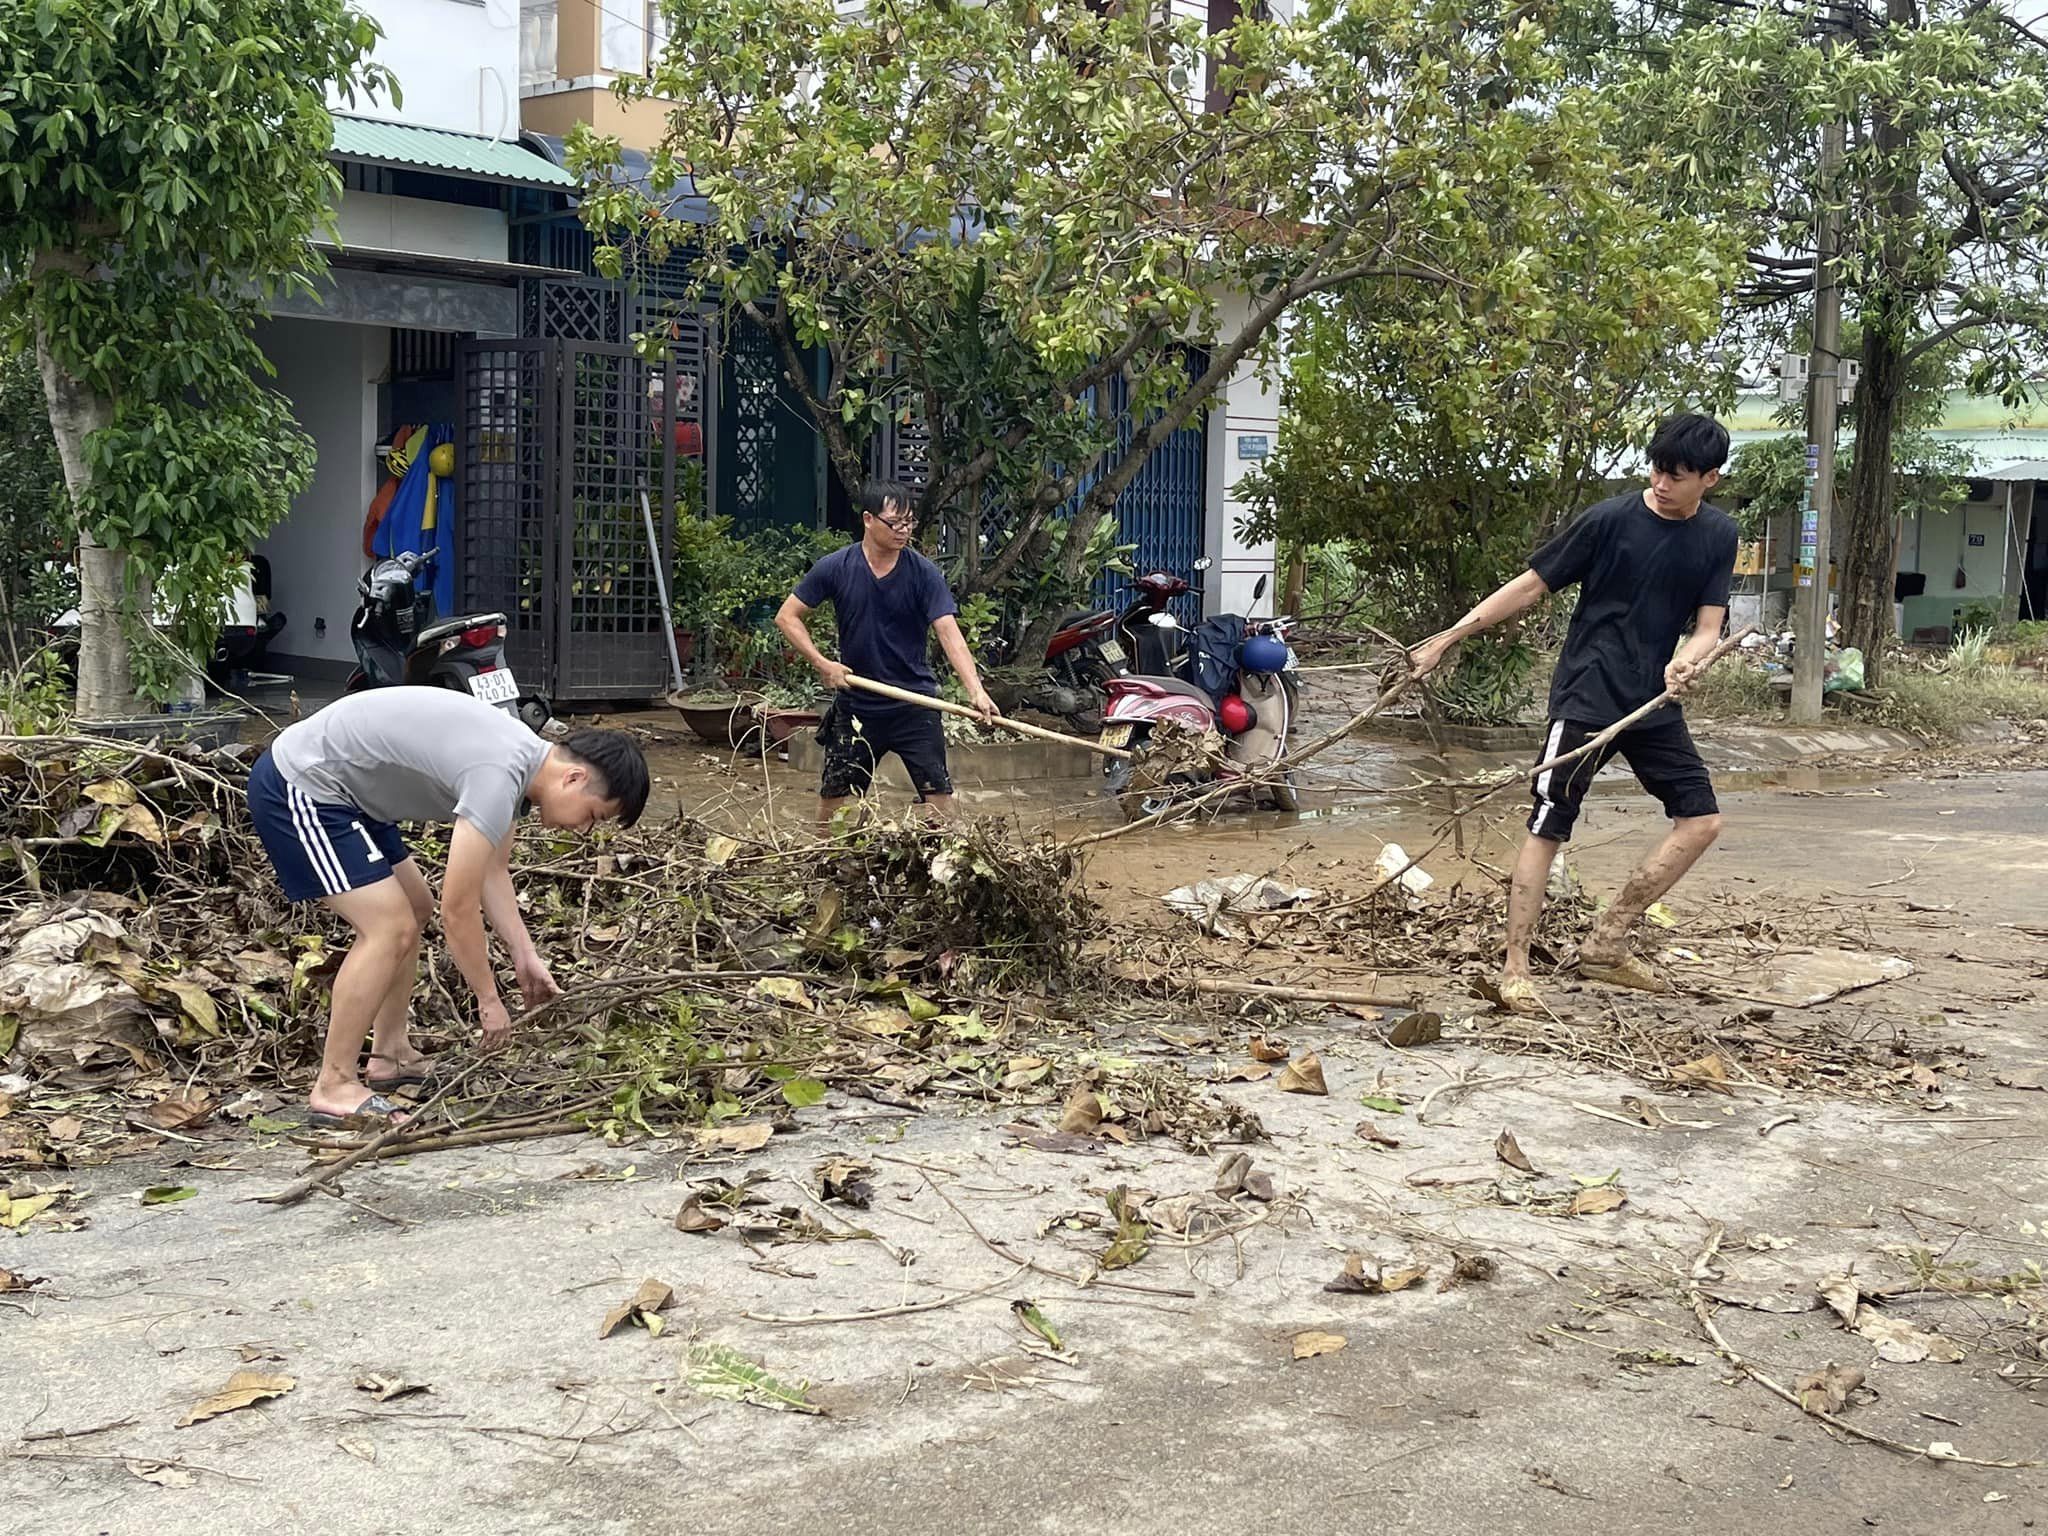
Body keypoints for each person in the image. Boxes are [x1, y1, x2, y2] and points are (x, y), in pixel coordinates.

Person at [1409, 412, 1738, 1015]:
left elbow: (1709, 626)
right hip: (1587, 696)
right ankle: (1514, 967)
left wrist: (1689, 663)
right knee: (1548, 823)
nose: (1662, 484)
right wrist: (1445, 638)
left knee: (1702, 820)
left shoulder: (1719, 535)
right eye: (1658, 470)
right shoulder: (1609, 520)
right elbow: (1530, 586)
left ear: (1709, 480)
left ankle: (1607, 942)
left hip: (1653, 701)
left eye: (1679, 475)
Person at [247, 688, 649, 1126]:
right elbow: (457, 906)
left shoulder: (521, 765)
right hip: (303, 783)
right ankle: (334, 1084)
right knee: (390, 926)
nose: (586, 830)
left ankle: (390, 1055)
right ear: (573, 778)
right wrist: (489, 1000)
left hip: (355, 799)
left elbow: (492, 872)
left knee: (412, 910)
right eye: (593, 815)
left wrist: (525, 956)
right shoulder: (499, 772)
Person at [775, 479, 999, 825]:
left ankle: (943, 867)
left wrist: (976, 691)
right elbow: (787, 616)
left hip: (916, 704)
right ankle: (825, 865)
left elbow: (948, 632)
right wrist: (823, 663)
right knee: (835, 797)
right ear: (868, 519)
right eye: (895, 523)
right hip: (857, 705)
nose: (904, 531)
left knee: (938, 795)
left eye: (909, 522)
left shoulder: (923, 574)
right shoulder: (836, 567)